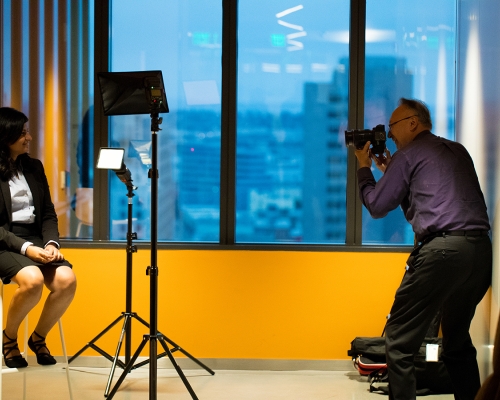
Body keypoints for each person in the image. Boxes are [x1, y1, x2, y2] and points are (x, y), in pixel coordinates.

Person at [354, 98, 492, 400]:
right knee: (456, 341)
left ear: (413, 123)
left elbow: (377, 206)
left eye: (391, 129)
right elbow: (426, 204)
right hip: (480, 254)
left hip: (443, 254)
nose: (389, 137)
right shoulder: (456, 150)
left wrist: (365, 169)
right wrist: (393, 172)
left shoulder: (410, 155)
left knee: (400, 344)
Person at [0, 107, 76, 368]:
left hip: (37, 241)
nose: (29, 138)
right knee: (32, 281)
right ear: (5, 136)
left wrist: (52, 243)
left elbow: (47, 213)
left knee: (67, 280)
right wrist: (27, 249)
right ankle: (9, 339)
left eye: (28, 132)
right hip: (5, 243)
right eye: (22, 133)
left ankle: (38, 338)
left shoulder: (34, 166)